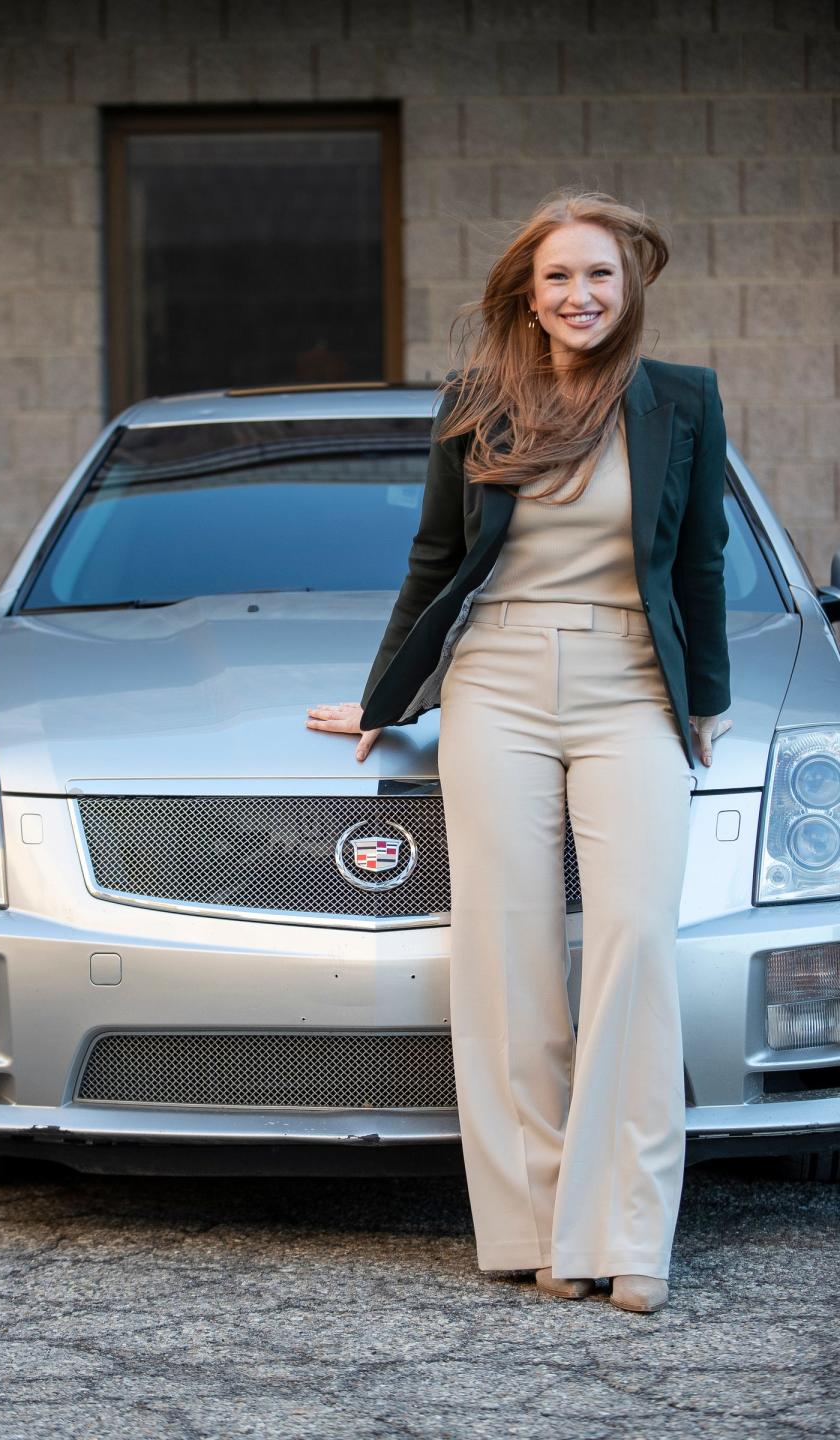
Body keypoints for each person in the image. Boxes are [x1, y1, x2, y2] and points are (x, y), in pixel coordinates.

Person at [305, 189, 733, 1315]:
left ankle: (626, 1231)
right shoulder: (480, 403)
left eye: (599, 274)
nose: (580, 295)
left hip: (630, 680)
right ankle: (539, 1224)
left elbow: (699, 560)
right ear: (526, 295)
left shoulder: (682, 401)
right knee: (509, 949)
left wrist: (707, 702)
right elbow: (435, 556)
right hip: (493, 677)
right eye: (558, 278)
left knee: (636, 938)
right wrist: (381, 697)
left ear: (629, 285)